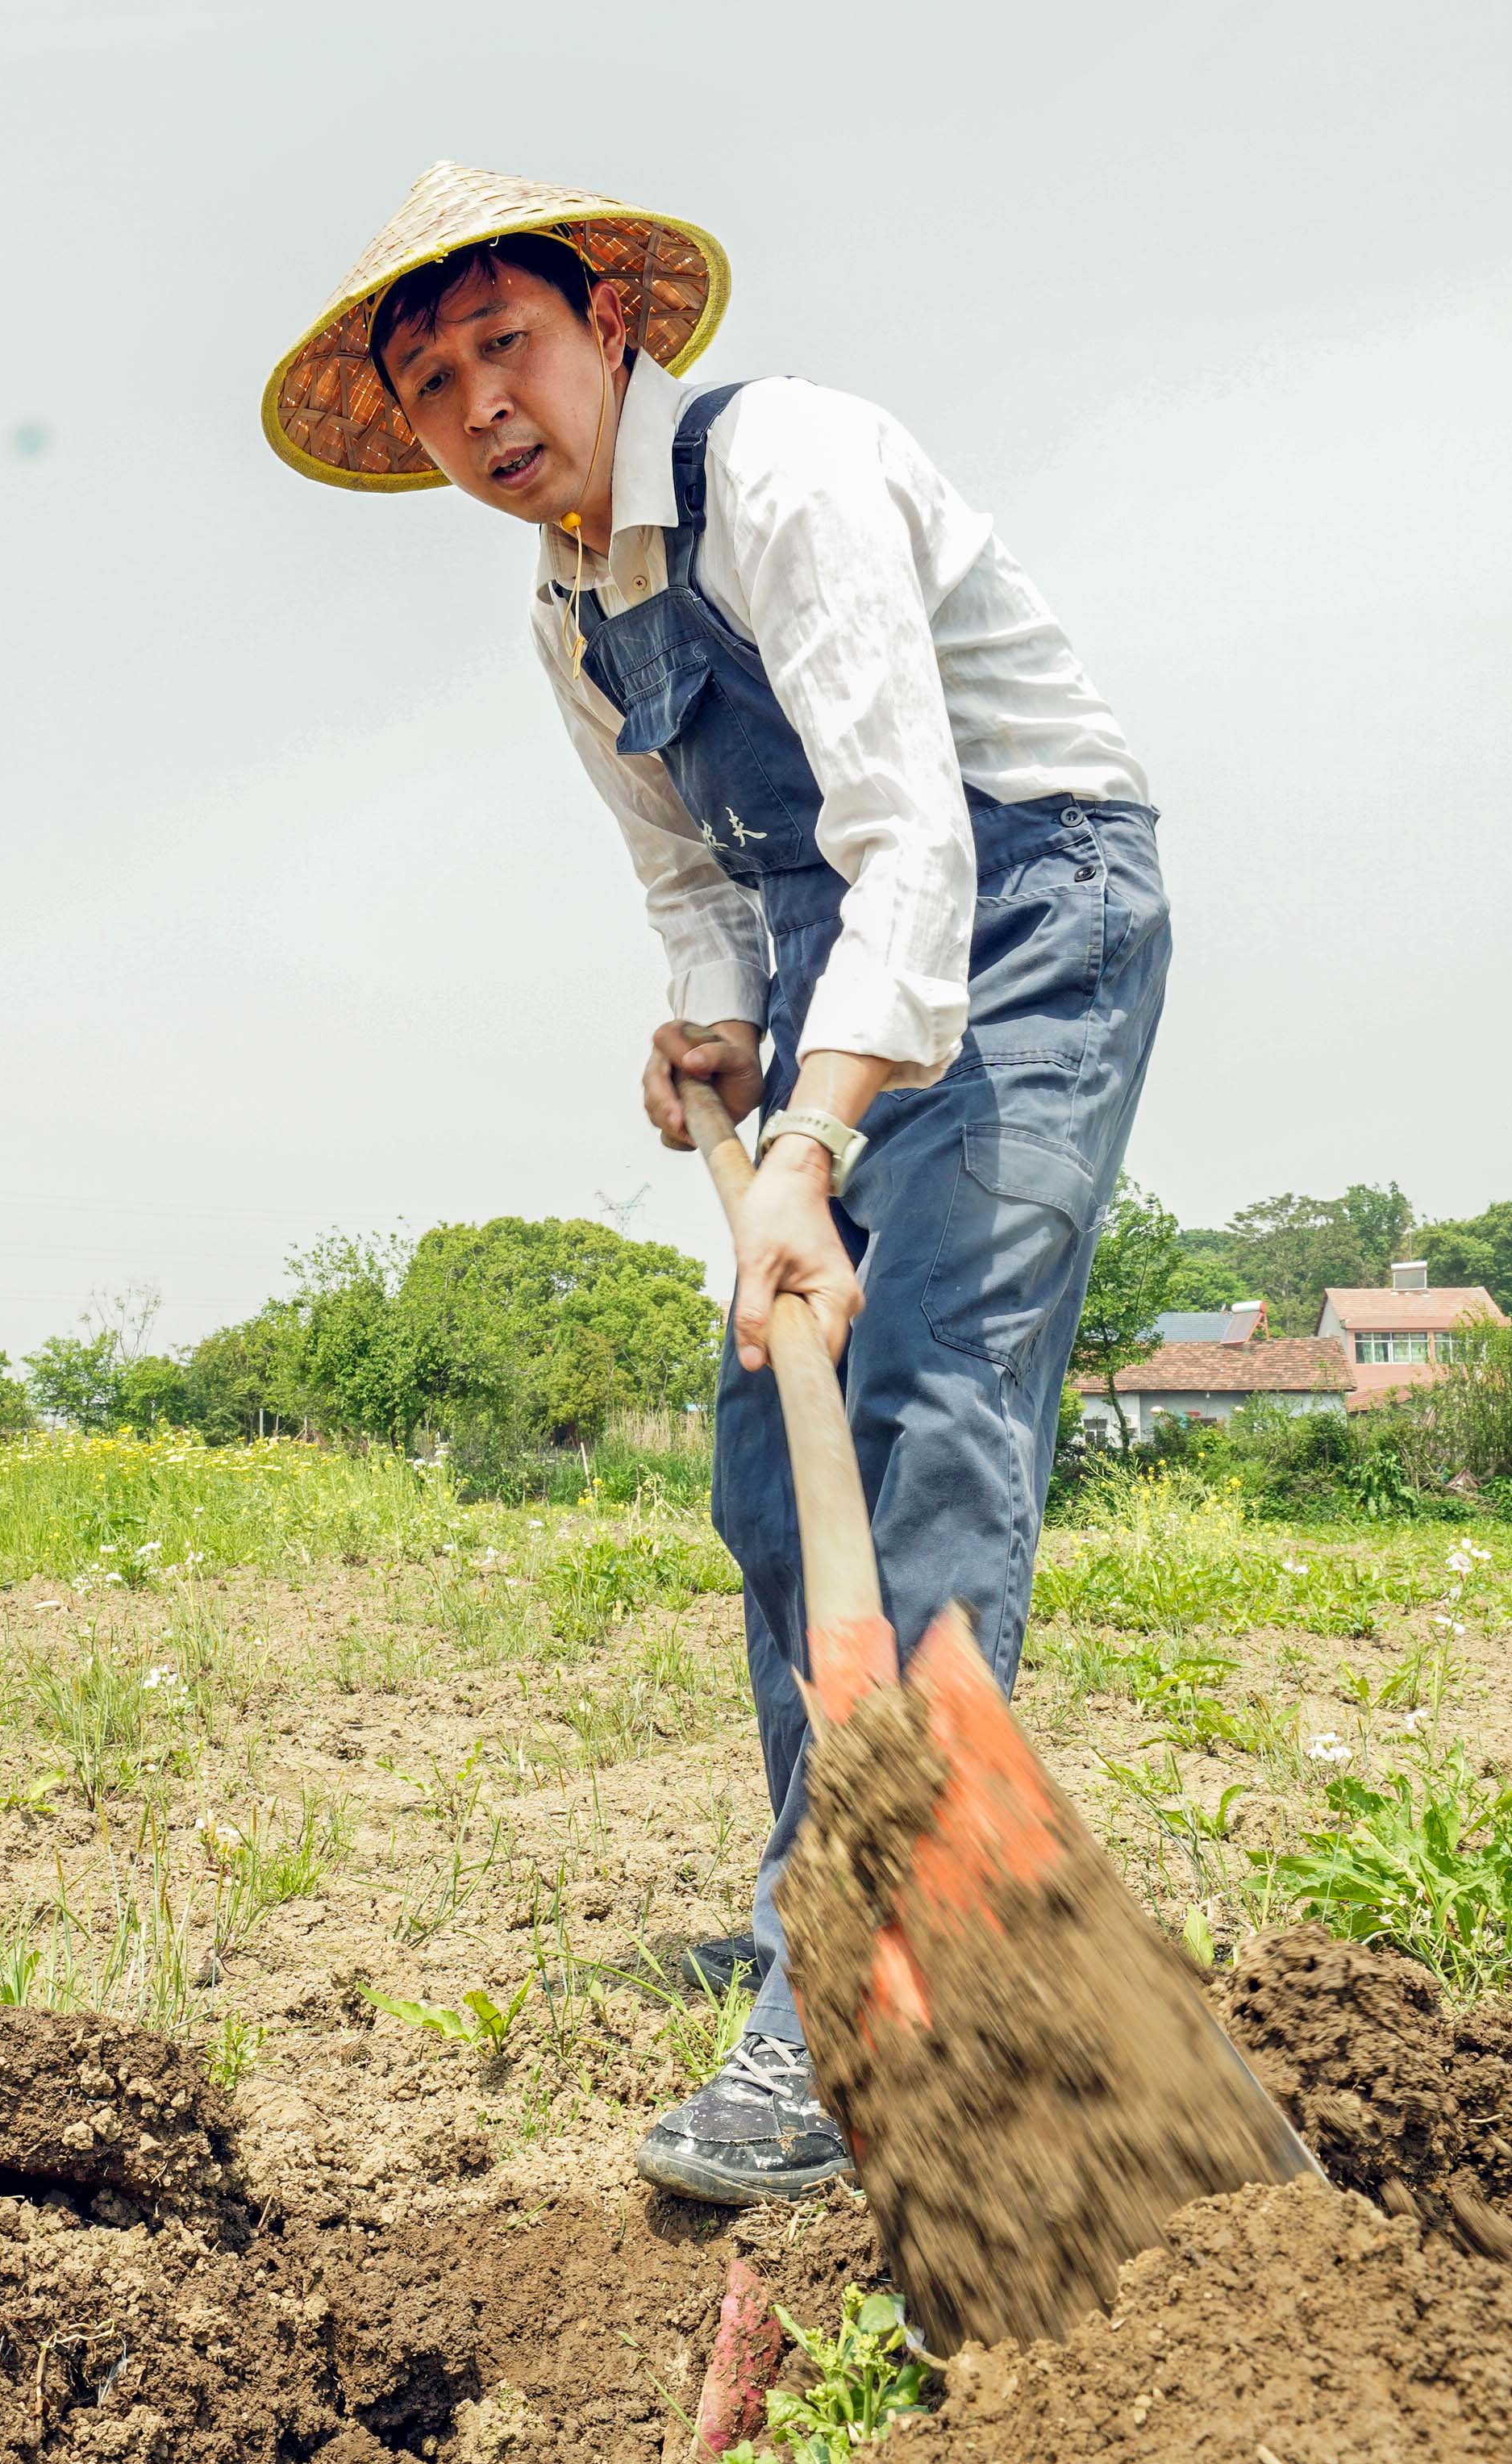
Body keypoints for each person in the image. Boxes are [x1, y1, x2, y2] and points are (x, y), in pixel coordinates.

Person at [266, 166, 1166, 2204]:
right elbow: (697, 877)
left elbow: (910, 840)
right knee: (773, 1456)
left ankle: (864, 1982)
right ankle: (819, 1894)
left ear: (605, 326)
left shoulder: (788, 469)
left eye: (504, 345)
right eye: (431, 386)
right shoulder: (570, 607)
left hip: (1025, 911)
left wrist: (818, 1147)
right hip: (835, 947)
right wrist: (713, 1030)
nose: (482, 408)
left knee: (923, 1403)